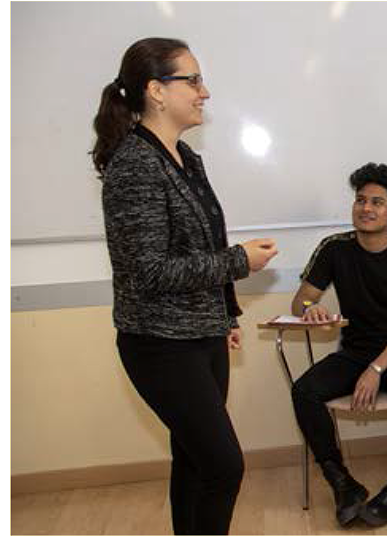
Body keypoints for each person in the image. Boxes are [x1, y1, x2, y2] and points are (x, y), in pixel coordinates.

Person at [94, 38, 278, 535]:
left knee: (194, 459)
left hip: (202, 335)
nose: (205, 92)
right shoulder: (134, 165)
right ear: (156, 90)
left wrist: (227, 315)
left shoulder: (186, 158)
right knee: (224, 465)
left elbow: (201, 242)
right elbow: (149, 272)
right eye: (192, 80)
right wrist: (239, 262)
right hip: (159, 344)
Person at [289, 163, 387, 528]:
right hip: (355, 351)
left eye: (377, 202)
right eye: (360, 200)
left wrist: (376, 370)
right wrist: (311, 308)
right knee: (304, 391)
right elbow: (299, 302)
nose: (366, 208)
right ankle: (342, 483)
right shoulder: (333, 248)